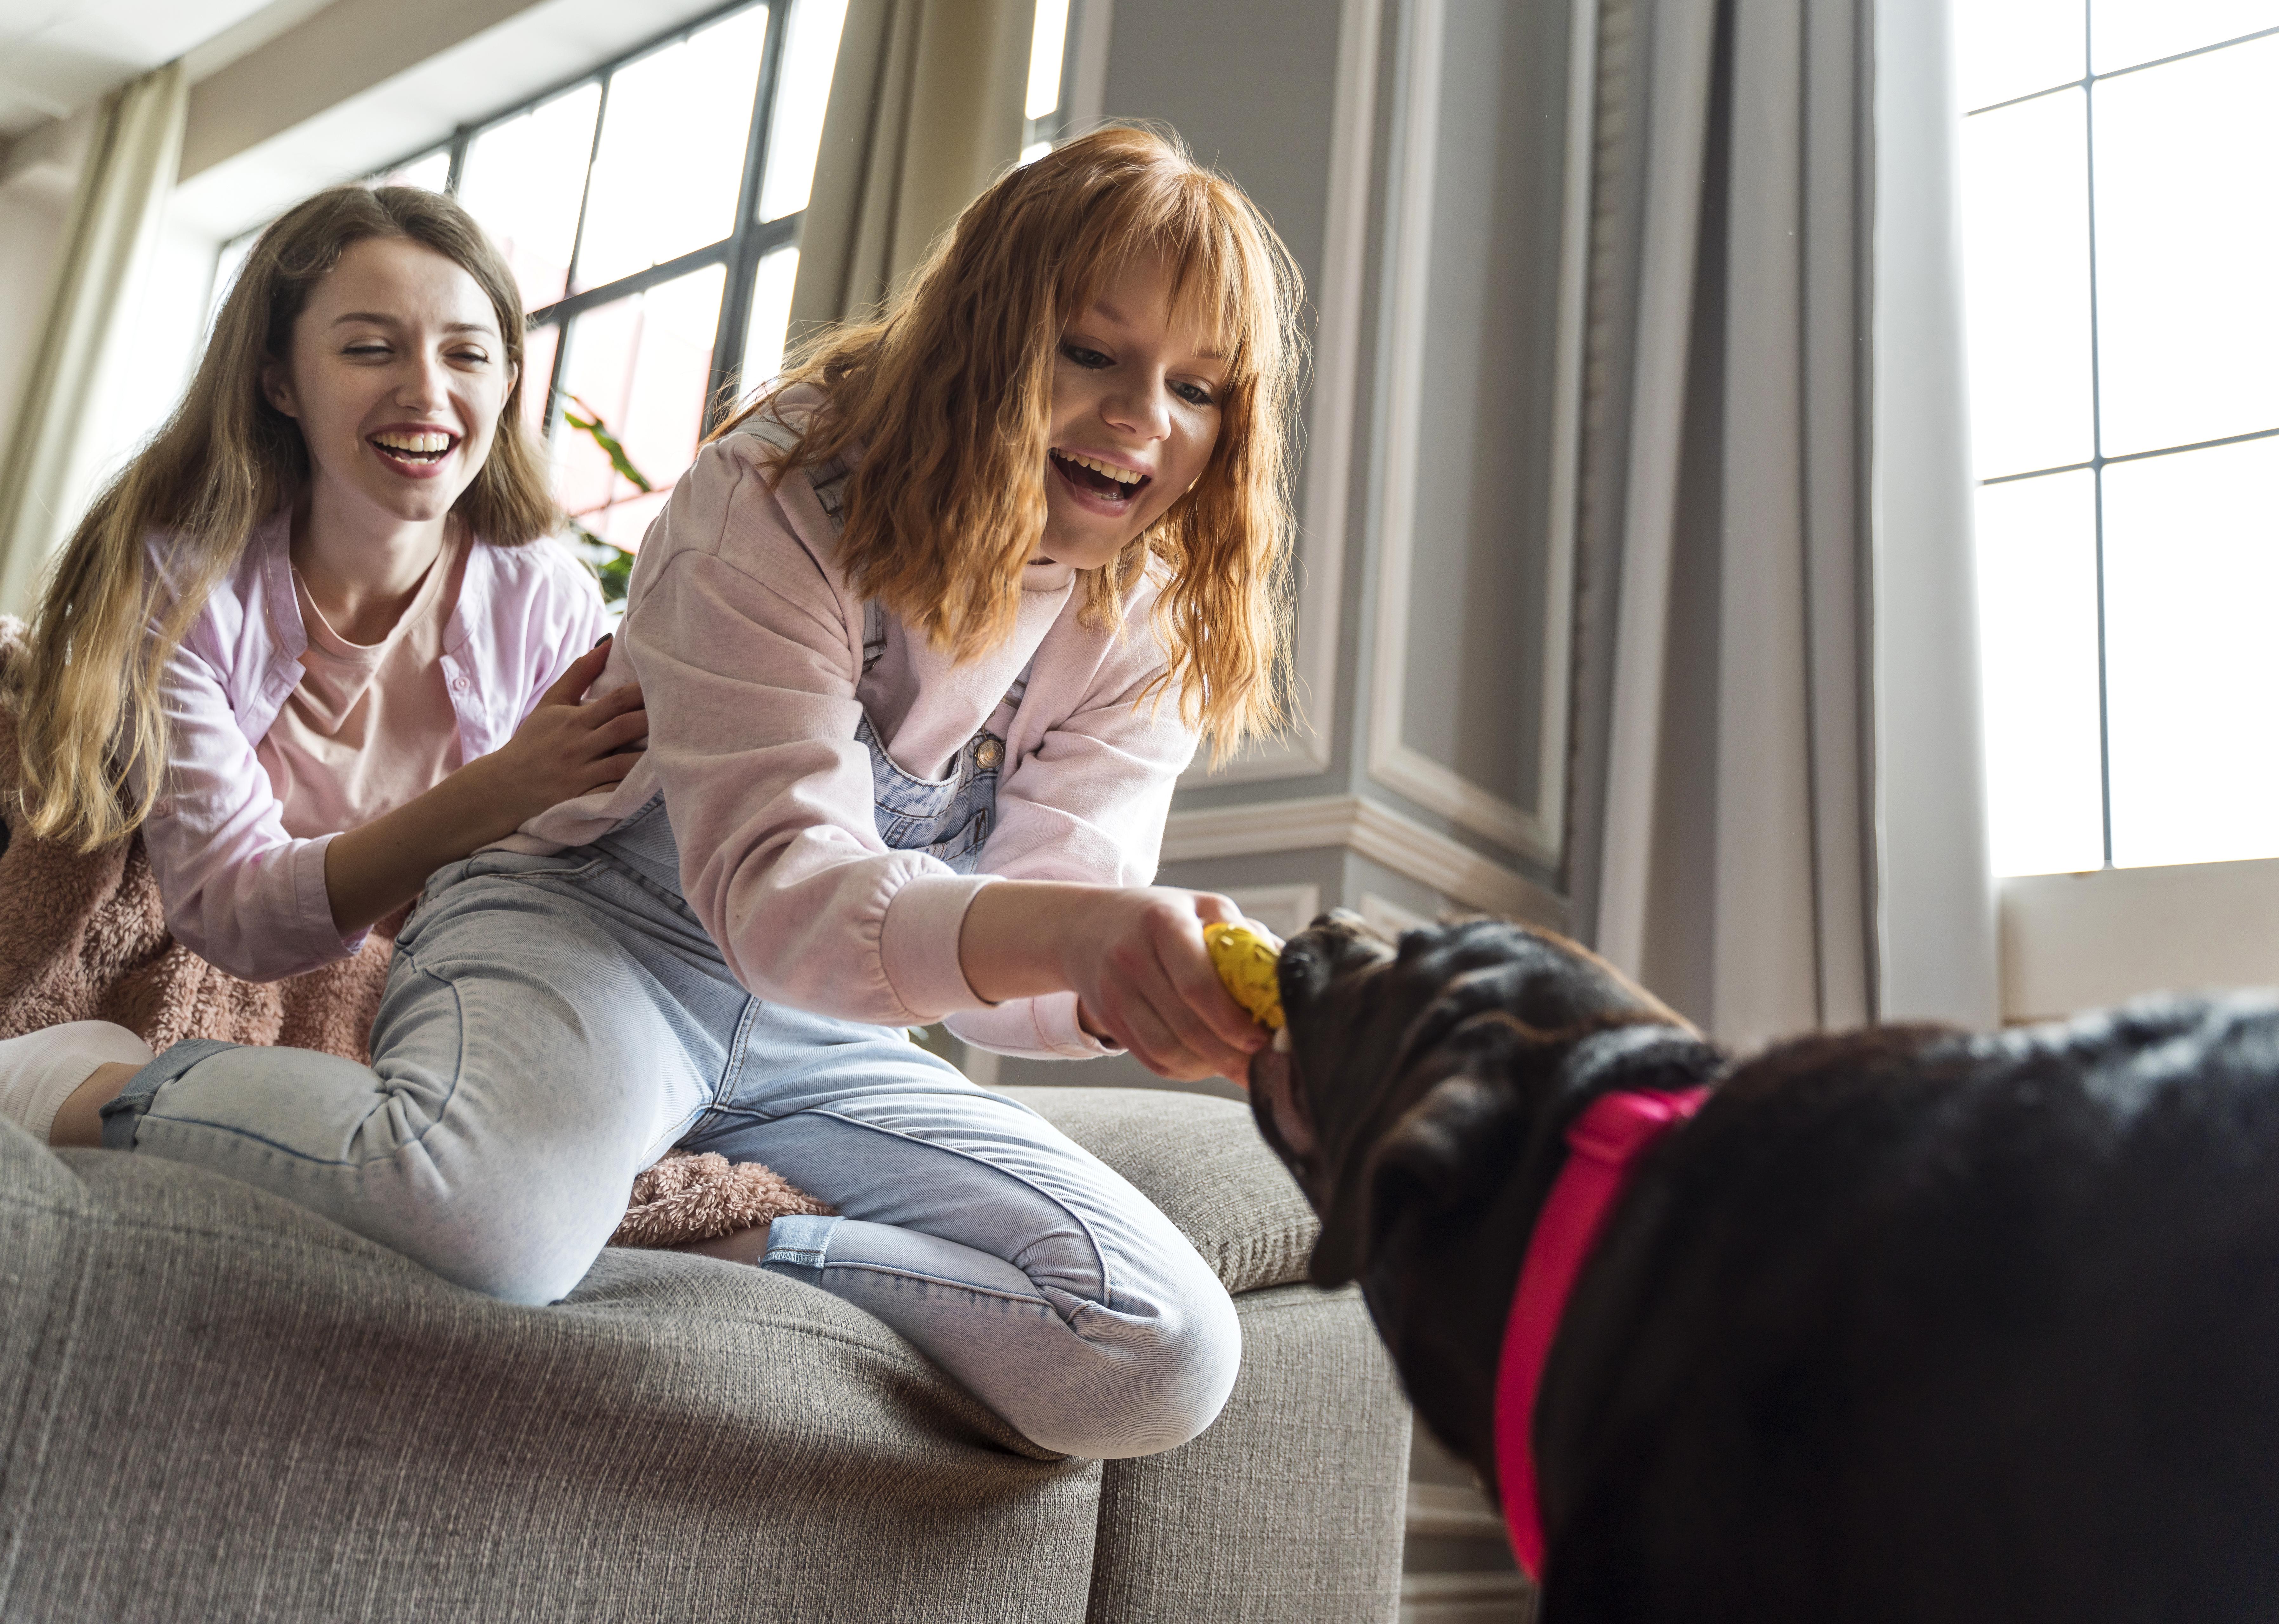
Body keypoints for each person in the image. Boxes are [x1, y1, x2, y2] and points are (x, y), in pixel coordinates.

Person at [3, 126, 1301, 1462]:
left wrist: (1126, 981)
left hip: (833, 1022)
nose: (1145, 417)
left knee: (1165, 1345)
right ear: (983, 335)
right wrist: (1073, 932)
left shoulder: (1143, 616)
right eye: (1090, 353)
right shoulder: (778, 488)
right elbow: (782, 890)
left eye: (1198, 387)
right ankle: (112, 1081)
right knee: (485, 1223)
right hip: (596, 929)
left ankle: (749, 1242)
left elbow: (1036, 946)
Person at [0, 183, 638, 1126]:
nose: (426, 390)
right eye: (369, 349)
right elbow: (228, 911)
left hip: (419, 1006)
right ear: (279, 382)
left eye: (466, 352)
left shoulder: (545, 596)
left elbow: (561, 886)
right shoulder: (177, 586)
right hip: (220, 969)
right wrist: (496, 790)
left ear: (507, 380)